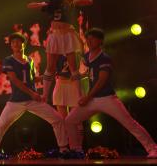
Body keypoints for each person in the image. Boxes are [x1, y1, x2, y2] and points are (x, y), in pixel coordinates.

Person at [65, 28, 157, 157]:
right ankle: (76, 150)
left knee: (130, 123)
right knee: (70, 120)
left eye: (92, 39)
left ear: (100, 41)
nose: (89, 41)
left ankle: (153, 148)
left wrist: (87, 97)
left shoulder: (104, 58)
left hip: (107, 98)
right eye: (88, 39)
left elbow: (102, 80)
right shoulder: (87, 57)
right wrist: (79, 76)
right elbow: (88, 72)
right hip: (92, 100)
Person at [0, 33, 68, 157]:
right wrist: (32, 93)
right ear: (11, 45)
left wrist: (47, 76)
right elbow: (14, 80)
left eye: (18, 41)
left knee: (57, 119)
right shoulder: (8, 60)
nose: (16, 44)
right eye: (13, 42)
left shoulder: (30, 60)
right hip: (16, 101)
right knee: (1, 125)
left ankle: (64, 148)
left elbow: (32, 79)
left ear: (24, 44)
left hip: (33, 100)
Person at [27, 0, 93, 101]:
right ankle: (45, 95)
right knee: (50, 67)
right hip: (55, 35)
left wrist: (73, 1)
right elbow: (30, 5)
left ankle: (80, 96)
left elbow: (89, 1)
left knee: (73, 67)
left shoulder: (69, 1)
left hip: (67, 34)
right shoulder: (51, 3)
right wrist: (43, 4)